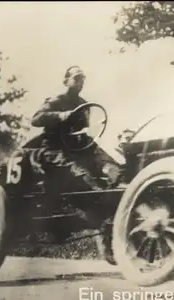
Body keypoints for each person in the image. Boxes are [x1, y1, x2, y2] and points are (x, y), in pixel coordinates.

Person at [30, 66, 117, 263]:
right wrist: (60, 116)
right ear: (66, 80)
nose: (80, 82)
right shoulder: (56, 100)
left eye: (83, 79)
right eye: (76, 78)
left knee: (110, 167)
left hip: (78, 148)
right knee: (80, 175)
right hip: (52, 149)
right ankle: (97, 205)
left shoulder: (84, 104)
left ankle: (112, 203)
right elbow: (36, 119)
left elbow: (85, 130)